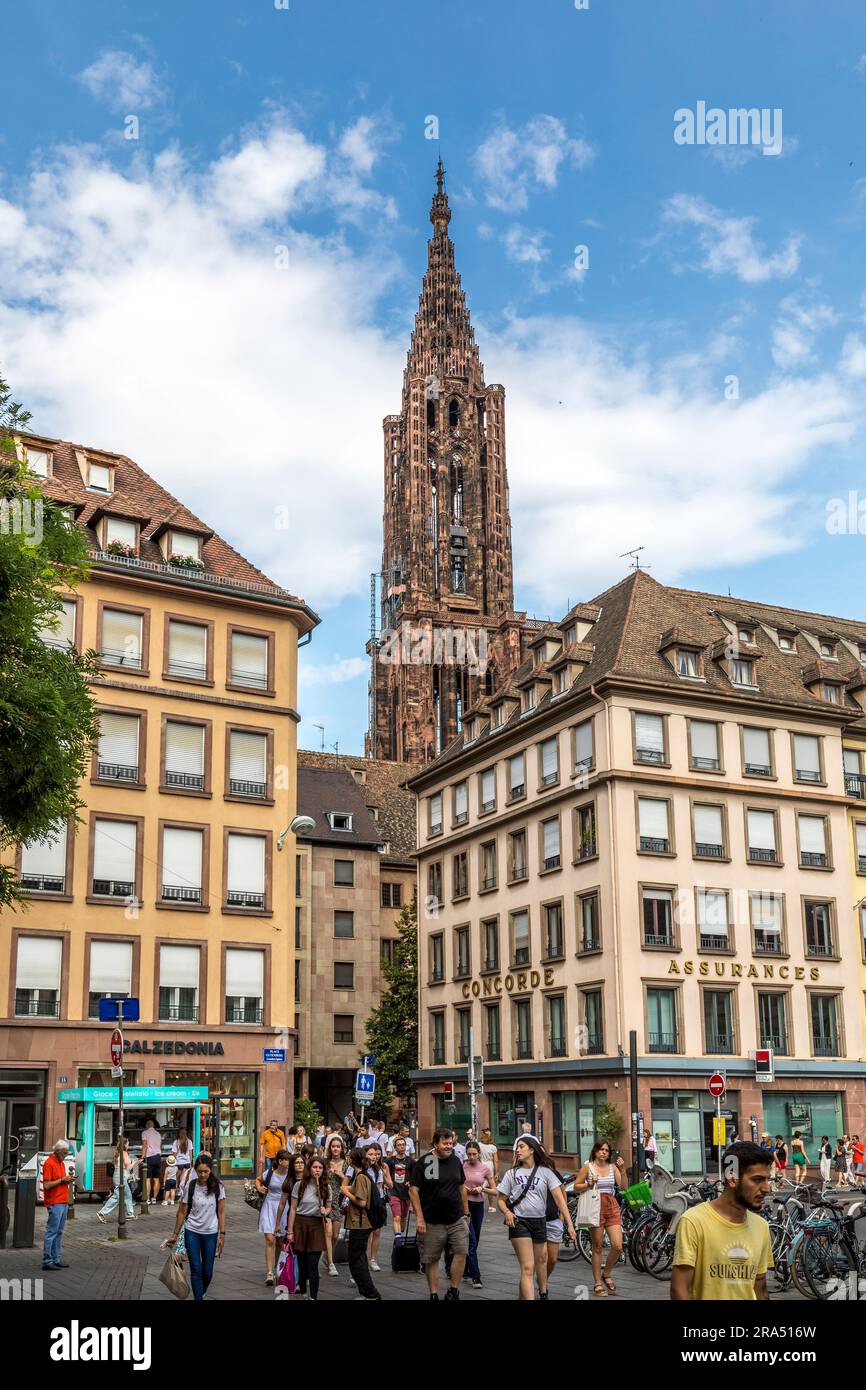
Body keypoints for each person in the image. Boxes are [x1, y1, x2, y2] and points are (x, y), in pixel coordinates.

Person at [671, 1141, 773, 1301]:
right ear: (732, 1178)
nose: (767, 1188)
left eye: (768, 1180)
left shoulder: (762, 1227)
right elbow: (679, 1289)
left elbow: (760, 1289)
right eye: (758, 1180)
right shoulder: (693, 1221)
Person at [498, 1136, 571, 1300]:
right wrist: (508, 1213)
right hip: (519, 1222)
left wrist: (569, 1224)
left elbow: (560, 1199)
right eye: (517, 1147)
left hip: (540, 1222)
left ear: (531, 1149)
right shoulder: (512, 1173)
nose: (517, 1150)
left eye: (521, 1146)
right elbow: (501, 1201)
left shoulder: (546, 1172)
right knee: (528, 1267)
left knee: (542, 1261)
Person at [409, 1127, 469, 1301]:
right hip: (432, 1220)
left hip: (456, 1218)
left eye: (451, 1143)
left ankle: (454, 1290)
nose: (449, 1146)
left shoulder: (456, 1161)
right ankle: (433, 1293)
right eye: (445, 1143)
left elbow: (461, 1187)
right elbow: (414, 1190)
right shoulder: (424, 1162)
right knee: (431, 1258)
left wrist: (466, 1212)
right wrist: (419, 1217)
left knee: (461, 1251)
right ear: (435, 1144)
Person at [162, 1153, 226, 1301]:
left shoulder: (218, 1187)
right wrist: (175, 1234)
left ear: (211, 1171)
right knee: (196, 1270)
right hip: (192, 1232)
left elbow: (221, 1212)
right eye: (200, 1171)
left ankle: (200, 1293)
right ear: (196, 1171)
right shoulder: (191, 1187)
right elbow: (182, 1212)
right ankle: (199, 1298)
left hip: (210, 1233)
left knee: (208, 1272)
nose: (203, 1175)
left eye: (206, 1171)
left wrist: (222, 1234)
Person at [277, 1155, 331, 1301]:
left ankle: (313, 1297)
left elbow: (329, 1207)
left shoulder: (326, 1186)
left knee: (313, 1264)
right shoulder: (299, 1185)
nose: (317, 1170)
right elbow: (293, 1208)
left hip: (316, 1225)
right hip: (300, 1224)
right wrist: (289, 1231)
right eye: (314, 1167)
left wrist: (325, 1211)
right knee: (301, 1263)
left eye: (320, 1168)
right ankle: (303, 1293)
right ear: (309, 1168)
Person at [573, 1139, 622, 1297]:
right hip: (595, 1205)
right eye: (601, 1149)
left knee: (617, 1246)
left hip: (611, 1205)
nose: (604, 1152)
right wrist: (588, 1183)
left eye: (607, 1151)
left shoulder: (613, 1167)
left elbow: (624, 1187)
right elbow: (576, 1186)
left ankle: (606, 1273)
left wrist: (622, 1169)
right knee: (598, 1246)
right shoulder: (588, 1167)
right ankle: (597, 1284)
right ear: (595, 1151)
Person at [342, 1146, 382, 1300]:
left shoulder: (361, 1177)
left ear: (352, 1160)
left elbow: (362, 1202)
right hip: (361, 1224)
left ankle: (370, 1293)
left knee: (356, 1259)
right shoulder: (363, 1176)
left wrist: (346, 1192)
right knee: (358, 1258)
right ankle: (366, 1292)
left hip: (360, 1224)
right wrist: (349, 1188)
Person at [462, 1139, 497, 1288]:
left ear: (479, 1153)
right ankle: (476, 1277)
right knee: (472, 1241)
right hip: (465, 1206)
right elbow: (457, 1183)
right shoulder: (462, 1166)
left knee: (474, 1242)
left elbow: (495, 1191)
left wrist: (481, 1189)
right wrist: (464, 1187)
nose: (471, 1157)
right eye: (469, 1154)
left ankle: (465, 1269)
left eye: (474, 1154)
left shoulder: (485, 1168)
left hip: (478, 1205)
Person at [256, 1148, 291, 1285]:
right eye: (287, 1159)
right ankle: (269, 1272)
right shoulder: (270, 1173)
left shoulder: (290, 1175)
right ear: (280, 1161)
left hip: (284, 1208)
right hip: (269, 1206)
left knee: (281, 1241)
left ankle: (279, 1268)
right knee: (270, 1239)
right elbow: (258, 1180)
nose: (289, 1162)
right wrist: (260, 1188)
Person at [42, 1140, 74, 1270]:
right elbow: (47, 1185)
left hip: (62, 1201)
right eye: (64, 1153)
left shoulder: (60, 1162)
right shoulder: (49, 1163)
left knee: (58, 1232)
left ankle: (56, 1258)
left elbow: (57, 1181)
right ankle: (47, 1261)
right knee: (52, 1232)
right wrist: (62, 1180)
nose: (66, 1155)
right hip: (55, 1202)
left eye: (67, 1153)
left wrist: (66, 1180)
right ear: (58, 1151)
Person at [361, 1142, 392, 1271]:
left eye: (378, 1154)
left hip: (378, 1201)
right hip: (366, 1202)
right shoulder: (364, 1168)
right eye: (373, 1154)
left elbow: (390, 1185)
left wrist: (385, 1174)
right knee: (367, 1232)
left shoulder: (382, 1167)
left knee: (377, 1232)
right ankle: (365, 1258)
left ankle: (373, 1259)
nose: (376, 1157)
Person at [323, 1134, 348, 1274]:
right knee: (328, 1232)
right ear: (330, 1148)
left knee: (335, 1236)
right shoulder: (325, 1162)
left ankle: (327, 1255)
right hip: (327, 1200)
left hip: (339, 1201)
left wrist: (342, 1176)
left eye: (338, 1146)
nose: (336, 1149)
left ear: (342, 1148)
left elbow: (351, 1182)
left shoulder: (346, 1163)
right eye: (333, 1146)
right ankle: (331, 1263)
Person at [97, 1138, 135, 1223]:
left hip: (117, 1175)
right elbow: (128, 1166)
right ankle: (102, 1213)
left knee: (124, 1195)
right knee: (119, 1197)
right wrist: (135, 1162)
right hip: (121, 1176)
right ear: (125, 1144)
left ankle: (130, 1214)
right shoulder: (124, 1153)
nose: (128, 1145)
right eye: (128, 1143)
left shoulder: (118, 1153)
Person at [385, 1135, 413, 1235]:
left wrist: (411, 1182)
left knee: (403, 1219)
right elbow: (384, 1173)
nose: (402, 1147)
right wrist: (386, 1183)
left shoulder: (411, 1161)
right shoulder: (389, 1161)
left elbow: (415, 1177)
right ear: (395, 1148)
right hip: (394, 1193)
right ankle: (398, 1239)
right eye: (399, 1145)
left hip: (406, 1194)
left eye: (403, 1145)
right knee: (397, 1217)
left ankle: (399, 1234)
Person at [141, 1118, 163, 1205]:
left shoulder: (145, 1133)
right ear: (153, 1126)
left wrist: (142, 1156)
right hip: (158, 1157)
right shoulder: (158, 1134)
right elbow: (161, 1146)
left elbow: (145, 1145)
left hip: (149, 1157)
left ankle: (148, 1199)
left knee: (147, 1179)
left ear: (147, 1125)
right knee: (156, 1179)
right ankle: (154, 1198)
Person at [478, 1129, 499, 1213]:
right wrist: (497, 1172)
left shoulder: (478, 1145)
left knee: (481, 1184)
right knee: (491, 1187)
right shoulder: (493, 1147)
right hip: (490, 1166)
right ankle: (490, 1206)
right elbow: (496, 1161)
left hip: (481, 1165)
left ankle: (479, 1203)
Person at [172, 1127, 194, 1198]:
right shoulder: (189, 1141)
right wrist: (191, 1163)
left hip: (179, 1163)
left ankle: (177, 1190)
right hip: (187, 1163)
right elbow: (191, 1154)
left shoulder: (176, 1142)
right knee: (184, 1177)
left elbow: (174, 1154)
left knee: (176, 1177)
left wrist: (172, 1161)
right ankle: (183, 1190)